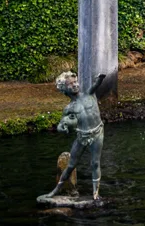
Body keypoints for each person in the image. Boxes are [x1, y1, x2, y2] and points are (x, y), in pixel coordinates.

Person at [45, 72, 104, 200]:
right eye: (70, 84)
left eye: (75, 81)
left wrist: (101, 77)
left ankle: (95, 193)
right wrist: (63, 128)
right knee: (71, 165)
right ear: (64, 89)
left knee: (95, 163)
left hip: (97, 132)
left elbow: (96, 84)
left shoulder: (89, 93)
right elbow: (61, 125)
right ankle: (56, 190)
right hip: (81, 135)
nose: (75, 85)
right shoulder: (69, 108)